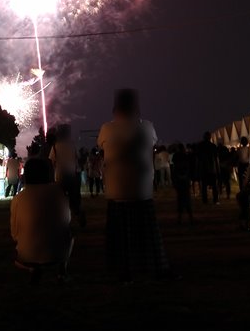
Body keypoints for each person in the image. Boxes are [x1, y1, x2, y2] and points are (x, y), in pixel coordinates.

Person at [98, 88, 177, 283]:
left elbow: (101, 145)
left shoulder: (107, 129)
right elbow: (151, 143)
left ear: (115, 108)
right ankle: (155, 268)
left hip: (116, 191)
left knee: (120, 238)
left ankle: (122, 272)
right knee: (147, 236)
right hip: (141, 190)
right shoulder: (147, 127)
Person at [10, 158, 74, 284]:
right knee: (70, 235)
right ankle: (62, 271)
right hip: (55, 254)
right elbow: (66, 221)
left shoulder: (18, 198)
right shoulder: (58, 194)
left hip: (25, 256)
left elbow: (14, 234)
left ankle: (32, 268)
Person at [49, 123, 86, 228]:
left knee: (60, 200)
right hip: (72, 175)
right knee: (75, 199)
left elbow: (51, 161)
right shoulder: (73, 146)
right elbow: (77, 158)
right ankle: (79, 216)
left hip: (60, 176)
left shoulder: (55, 147)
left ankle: (62, 221)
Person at [170, 142, 194, 225]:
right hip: (185, 180)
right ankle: (190, 218)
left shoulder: (176, 157)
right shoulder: (186, 156)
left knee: (180, 199)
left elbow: (174, 168)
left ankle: (180, 219)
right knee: (187, 199)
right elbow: (189, 167)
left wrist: (175, 180)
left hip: (179, 181)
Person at [195, 132, 220, 205]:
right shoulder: (213, 146)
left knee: (204, 186)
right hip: (212, 169)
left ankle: (205, 200)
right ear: (210, 138)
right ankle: (215, 200)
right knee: (214, 186)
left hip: (203, 169)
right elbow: (216, 159)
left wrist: (197, 170)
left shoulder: (200, 146)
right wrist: (218, 170)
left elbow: (198, 159)